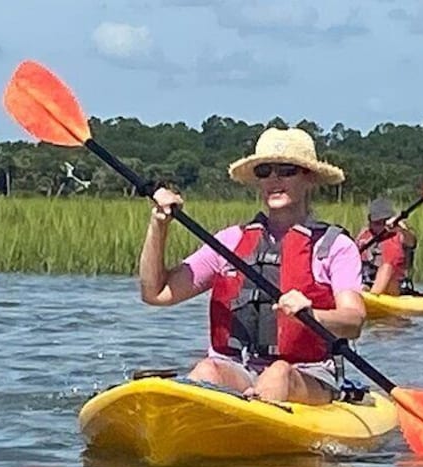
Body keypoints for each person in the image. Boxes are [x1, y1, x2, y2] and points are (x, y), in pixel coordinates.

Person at [139, 127, 365, 405]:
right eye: (264, 171)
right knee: (207, 369)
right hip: (238, 368)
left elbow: (354, 321)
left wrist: (314, 315)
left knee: (278, 374)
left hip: (307, 374)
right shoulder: (230, 241)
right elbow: (156, 293)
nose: (274, 179)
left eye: (286, 170)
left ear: (309, 178)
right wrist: (158, 225)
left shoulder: (334, 246)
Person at [355, 198, 417, 295]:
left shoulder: (400, 234)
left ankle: (372, 296)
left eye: (384, 223)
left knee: (386, 267)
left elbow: (411, 242)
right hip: (366, 280)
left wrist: (400, 228)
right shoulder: (364, 235)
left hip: (393, 285)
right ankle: (363, 291)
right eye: (377, 223)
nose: (381, 227)